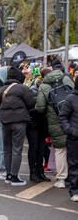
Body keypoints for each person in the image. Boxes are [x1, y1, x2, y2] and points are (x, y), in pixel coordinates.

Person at [36, 59, 74, 189]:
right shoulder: (67, 79)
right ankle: (73, 177)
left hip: (54, 121)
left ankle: (61, 179)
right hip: (71, 119)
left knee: (60, 150)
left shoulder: (44, 85)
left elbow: (40, 107)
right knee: (73, 148)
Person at [0, 67, 36, 186]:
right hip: (19, 121)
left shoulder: (2, 89)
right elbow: (32, 103)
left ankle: (8, 175)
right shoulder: (23, 88)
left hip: (5, 121)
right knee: (17, 149)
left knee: (7, 148)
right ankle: (14, 176)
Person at [59, 78, 78, 202]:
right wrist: (70, 131)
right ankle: (75, 190)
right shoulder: (71, 98)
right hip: (74, 138)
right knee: (74, 164)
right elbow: (63, 117)